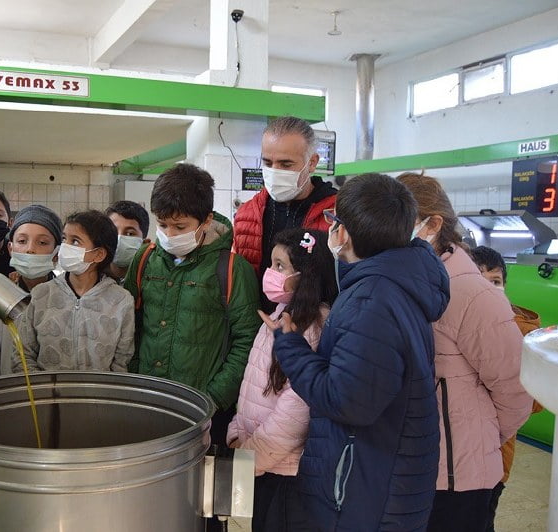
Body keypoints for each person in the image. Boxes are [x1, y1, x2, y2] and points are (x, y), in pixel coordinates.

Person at [269, 173, 450, 531]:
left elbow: (348, 401)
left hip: (362, 494)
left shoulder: (372, 301)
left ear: (343, 234)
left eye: (334, 220)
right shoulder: (395, 283)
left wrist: (291, 348)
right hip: (379, 480)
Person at [396, 173, 533, 532]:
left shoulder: (470, 292)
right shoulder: (411, 280)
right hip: (415, 468)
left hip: (458, 478)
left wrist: (482, 439)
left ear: (433, 224)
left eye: (396, 222)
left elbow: (516, 388)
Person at [123, 163, 261, 445]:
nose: (170, 234)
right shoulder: (145, 259)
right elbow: (129, 325)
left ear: (206, 220)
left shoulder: (232, 270)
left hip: (204, 412)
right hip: (147, 402)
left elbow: (247, 340)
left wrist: (214, 397)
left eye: (180, 226)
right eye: (162, 225)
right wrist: (134, 378)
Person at [226, 227, 337, 532]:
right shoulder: (279, 314)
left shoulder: (314, 328)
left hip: (283, 472)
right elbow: (252, 383)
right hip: (258, 463)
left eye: (280, 266)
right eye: (271, 264)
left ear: (307, 275)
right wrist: (237, 431)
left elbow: (296, 412)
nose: (270, 273)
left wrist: (252, 457)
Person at [470, 244, 543, 532]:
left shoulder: (524, 331)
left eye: (496, 282)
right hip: (458, 457)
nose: (488, 290)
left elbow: (535, 402)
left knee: (482, 520)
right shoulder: (452, 323)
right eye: (479, 281)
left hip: (497, 458)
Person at [233, 116, 337, 310]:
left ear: (312, 162)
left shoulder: (337, 216)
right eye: (268, 162)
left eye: (286, 164)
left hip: (313, 330)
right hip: (257, 328)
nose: (275, 171)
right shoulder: (247, 215)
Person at [14, 210, 134, 372]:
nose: (65, 247)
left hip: (97, 394)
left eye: (75, 242)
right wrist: (42, 392)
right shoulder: (41, 294)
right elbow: (23, 354)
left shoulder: (120, 300)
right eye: (64, 239)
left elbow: (122, 361)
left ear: (98, 254)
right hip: (48, 394)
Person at [0, 204, 62, 377]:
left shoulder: (67, 300)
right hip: (9, 395)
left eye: (42, 242)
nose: (30, 248)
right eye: (22, 241)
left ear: (56, 254)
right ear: (11, 248)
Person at [106, 200, 150, 282]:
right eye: (113, 231)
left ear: (145, 243)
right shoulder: (90, 279)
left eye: (129, 233)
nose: (119, 238)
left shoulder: (153, 281)